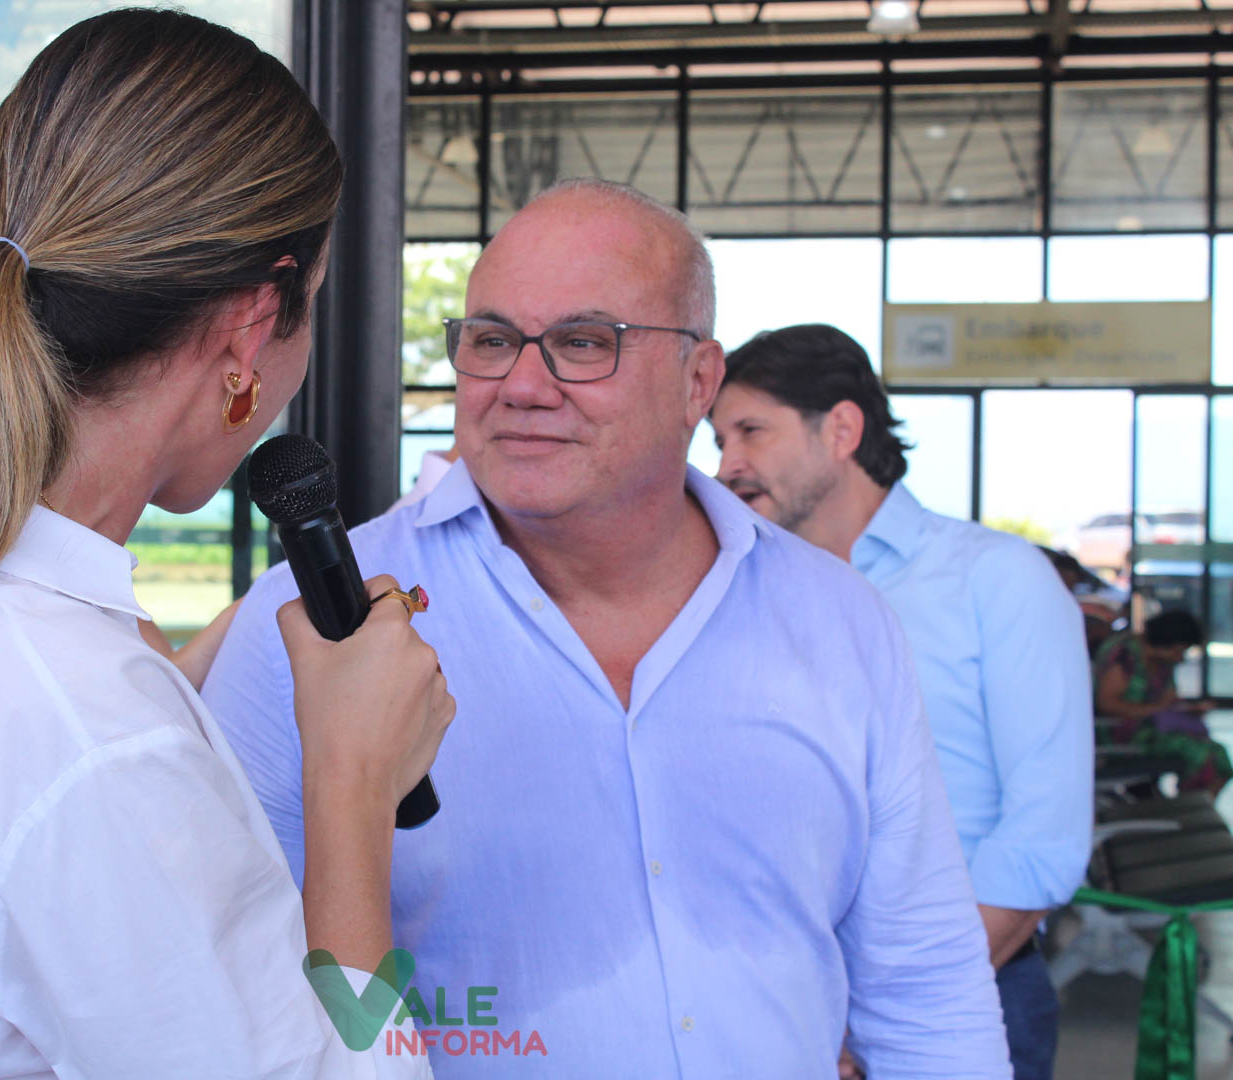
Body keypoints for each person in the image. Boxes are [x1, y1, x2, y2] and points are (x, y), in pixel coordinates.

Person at [0, 11, 453, 1077]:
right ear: (251, 329)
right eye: (310, 308)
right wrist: (354, 781)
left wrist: (174, 674)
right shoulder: (93, 739)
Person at [206, 179, 1010, 1078]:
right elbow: (229, 984)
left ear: (698, 381)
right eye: (492, 341)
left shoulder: (839, 621)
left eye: (584, 343)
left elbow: (926, 991)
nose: (522, 386)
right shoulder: (312, 635)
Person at [710, 323, 1092, 1080]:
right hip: (785, 1008)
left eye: (751, 431)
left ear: (841, 429)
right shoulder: (743, 595)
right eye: (719, 440)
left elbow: (1041, 839)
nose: (727, 466)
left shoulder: (995, 578)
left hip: (962, 998)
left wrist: (873, 1018)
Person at [1093, 609, 1226, 794]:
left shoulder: (1163, 663)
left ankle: (1194, 805)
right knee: (1203, 755)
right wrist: (1156, 708)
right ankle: (1189, 805)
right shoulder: (1125, 654)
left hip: (1154, 730)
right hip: (1122, 735)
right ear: (1168, 642)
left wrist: (1188, 710)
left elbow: (1167, 702)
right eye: (1180, 650)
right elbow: (1106, 704)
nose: (1180, 657)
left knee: (1219, 755)